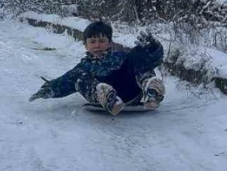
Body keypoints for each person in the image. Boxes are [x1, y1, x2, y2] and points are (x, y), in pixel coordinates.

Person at [28, 20, 166, 115]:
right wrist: (48, 89)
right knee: (80, 78)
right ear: (86, 45)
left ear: (109, 42)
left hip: (132, 92)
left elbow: (150, 58)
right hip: (104, 97)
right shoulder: (84, 66)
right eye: (92, 42)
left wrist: (152, 47)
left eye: (101, 41)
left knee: (138, 62)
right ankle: (107, 97)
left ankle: (152, 91)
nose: (97, 45)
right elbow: (65, 82)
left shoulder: (123, 56)